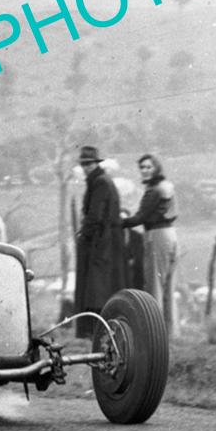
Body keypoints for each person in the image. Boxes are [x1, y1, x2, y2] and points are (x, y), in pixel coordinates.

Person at [122, 153, 179, 338]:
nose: (145, 171)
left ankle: (155, 334)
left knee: (155, 284)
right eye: (142, 167)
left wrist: (119, 221)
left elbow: (140, 217)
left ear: (156, 168)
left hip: (157, 235)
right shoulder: (167, 186)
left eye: (148, 167)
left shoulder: (154, 190)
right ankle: (170, 332)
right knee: (169, 285)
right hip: (171, 234)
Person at [73, 145, 125, 338]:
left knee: (97, 286)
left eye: (89, 163)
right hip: (103, 239)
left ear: (96, 163)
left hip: (101, 241)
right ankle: (98, 328)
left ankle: (97, 329)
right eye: (84, 164)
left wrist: (83, 235)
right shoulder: (99, 181)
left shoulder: (100, 183)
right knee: (98, 285)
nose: (86, 167)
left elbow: (94, 215)